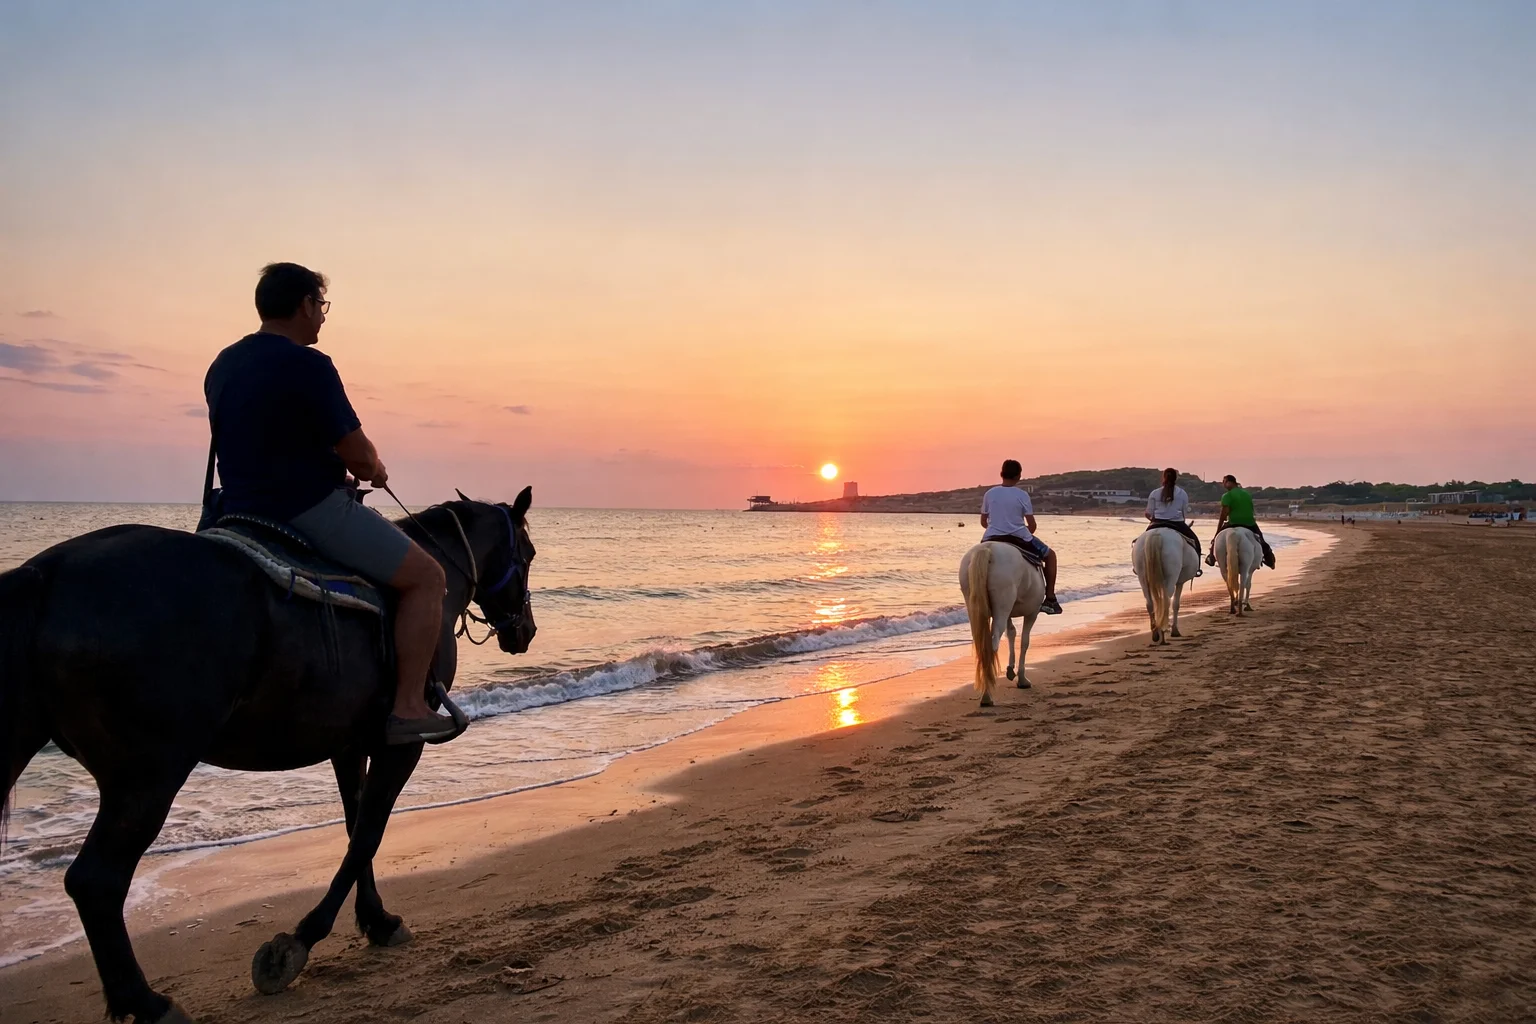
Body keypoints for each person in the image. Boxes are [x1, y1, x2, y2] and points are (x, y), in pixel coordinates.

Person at [204, 263, 460, 745]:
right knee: (428, 577)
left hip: (234, 510)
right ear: (305, 304)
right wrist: (373, 468)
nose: (322, 316)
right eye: (321, 305)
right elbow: (359, 455)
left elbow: (265, 442)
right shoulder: (309, 364)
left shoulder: (223, 364)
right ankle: (408, 706)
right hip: (303, 508)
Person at [980, 459, 1062, 614]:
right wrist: (1020, 530)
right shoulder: (1022, 495)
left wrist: (997, 528)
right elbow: (1032, 526)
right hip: (1019, 537)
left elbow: (983, 522)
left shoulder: (989, 494)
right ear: (1019, 476)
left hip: (990, 537)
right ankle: (1050, 598)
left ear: (1001, 474)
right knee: (1050, 556)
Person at [1205, 473, 1276, 569]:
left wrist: (1217, 531)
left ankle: (1211, 557)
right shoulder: (1247, 494)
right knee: (1261, 539)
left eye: (1224, 482)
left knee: (1217, 539)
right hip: (1250, 523)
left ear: (1230, 482)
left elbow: (1223, 515)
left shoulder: (1227, 495)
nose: (1223, 485)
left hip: (1233, 523)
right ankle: (1269, 560)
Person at [1144, 467, 1202, 566]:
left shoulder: (1154, 493)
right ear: (1176, 478)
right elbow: (1184, 513)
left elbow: (1148, 513)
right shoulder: (1182, 493)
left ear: (1163, 477)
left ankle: (1137, 567)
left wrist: (1153, 519)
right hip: (1177, 523)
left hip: (1157, 522)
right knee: (1196, 543)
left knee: (1140, 542)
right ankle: (1198, 568)